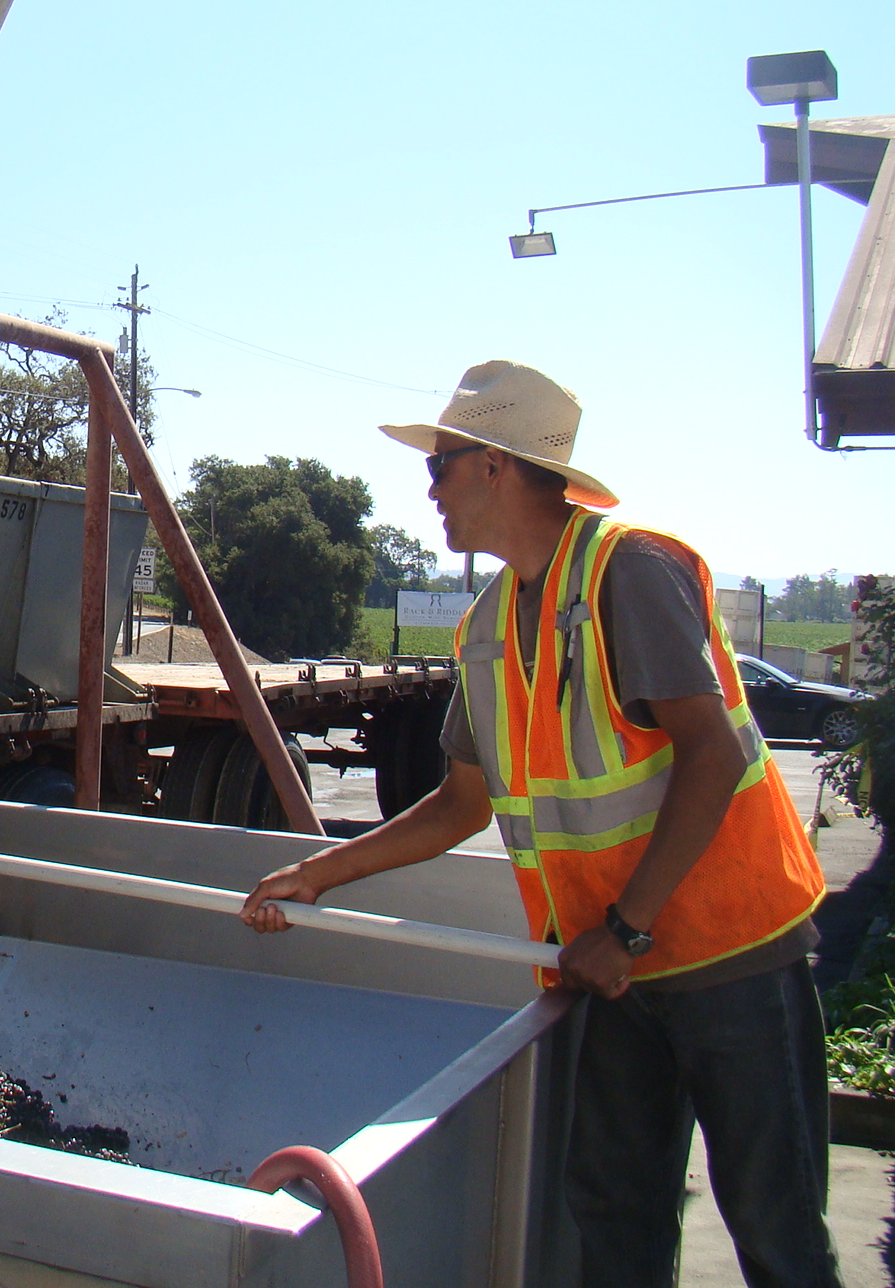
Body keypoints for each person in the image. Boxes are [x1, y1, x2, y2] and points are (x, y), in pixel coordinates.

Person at [240, 360, 839, 1288]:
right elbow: (461, 804)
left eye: (441, 464)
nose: (429, 488)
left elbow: (712, 757)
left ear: (498, 466)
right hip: (611, 970)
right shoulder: (484, 628)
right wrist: (320, 873)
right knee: (616, 1221)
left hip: (727, 955)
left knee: (775, 1230)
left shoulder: (628, 569)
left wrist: (629, 925)